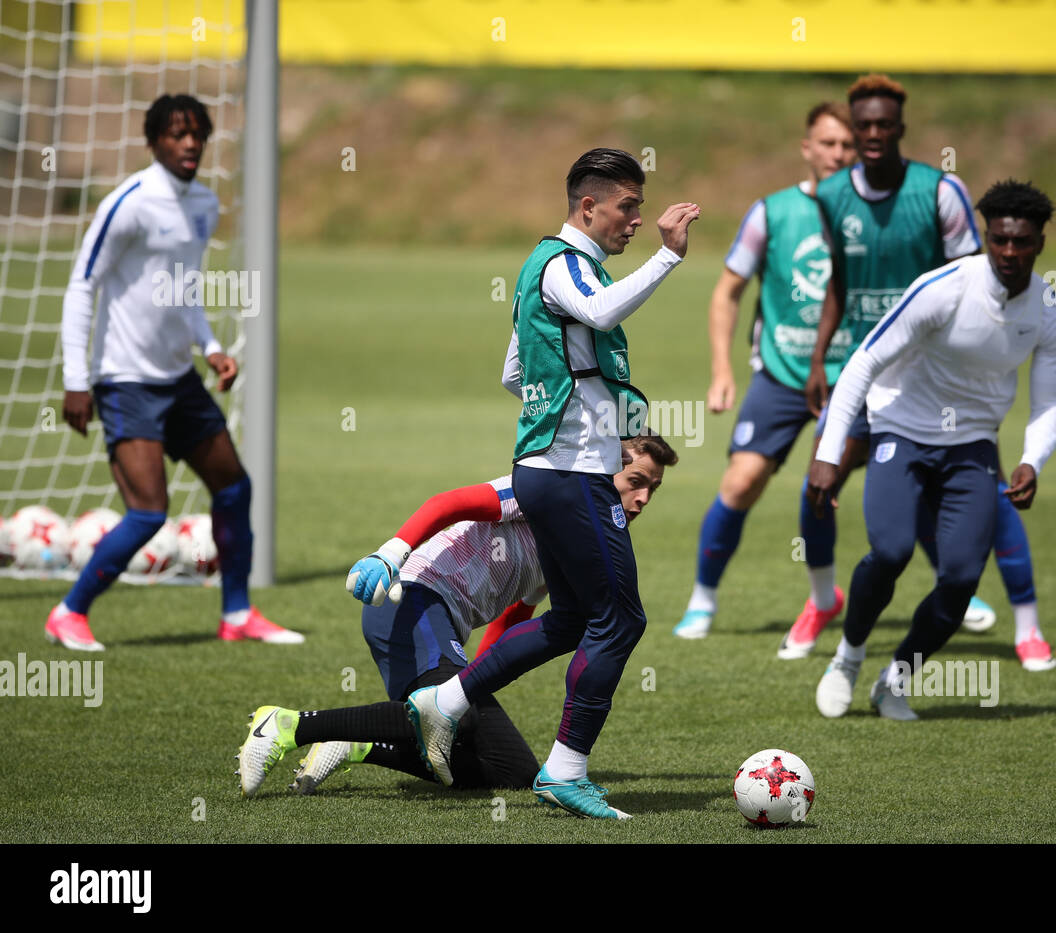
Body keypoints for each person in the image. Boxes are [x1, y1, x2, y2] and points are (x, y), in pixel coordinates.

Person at [406, 148, 699, 820]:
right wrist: (670, 256)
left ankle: (445, 701)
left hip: (548, 467)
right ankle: (565, 769)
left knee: (571, 618)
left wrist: (579, 409)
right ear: (588, 206)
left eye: (642, 207)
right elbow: (599, 315)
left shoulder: (544, 269)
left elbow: (517, 369)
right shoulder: (567, 266)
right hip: (569, 474)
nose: (638, 219)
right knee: (622, 618)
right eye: (628, 206)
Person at [235, 435, 676, 798]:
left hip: (436, 624)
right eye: (635, 480)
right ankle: (288, 725)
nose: (642, 498)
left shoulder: (580, 541)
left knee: (511, 768)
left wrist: (477, 681)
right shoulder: (546, 491)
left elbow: (516, 619)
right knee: (455, 717)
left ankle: (358, 743)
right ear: (600, 467)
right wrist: (392, 553)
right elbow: (448, 503)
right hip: (412, 602)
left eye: (652, 488)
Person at [791, 74, 1055, 668]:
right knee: (817, 487)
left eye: (886, 124)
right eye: (864, 126)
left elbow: (974, 287)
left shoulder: (940, 191)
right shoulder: (832, 195)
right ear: (853, 131)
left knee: (988, 494)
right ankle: (820, 606)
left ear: (901, 128)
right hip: (866, 366)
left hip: (938, 379)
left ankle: (1025, 620)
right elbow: (838, 277)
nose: (875, 134)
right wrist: (818, 355)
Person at [808, 180, 1056, 721]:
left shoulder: (1050, 314)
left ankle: (894, 680)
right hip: (900, 431)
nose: (1009, 252)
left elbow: (1050, 406)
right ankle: (848, 658)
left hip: (972, 445)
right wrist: (830, 452)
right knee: (891, 550)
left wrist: (1031, 461)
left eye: (1022, 242)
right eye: (999, 240)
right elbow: (862, 362)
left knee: (958, 580)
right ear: (985, 236)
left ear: (1040, 243)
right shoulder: (945, 287)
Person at [48, 93, 300, 651]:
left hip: (177, 377)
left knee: (234, 488)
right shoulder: (129, 203)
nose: (189, 144)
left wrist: (209, 346)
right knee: (148, 515)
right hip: (124, 379)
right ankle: (68, 612)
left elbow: (184, 289)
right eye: (176, 134)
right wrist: (75, 379)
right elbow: (82, 284)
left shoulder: (204, 204)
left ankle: (236, 613)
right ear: (155, 140)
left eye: (197, 134)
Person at [673, 102, 855, 643]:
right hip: (779, 374)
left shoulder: (873, 214)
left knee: (845, 485)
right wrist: (722, 370)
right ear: (807, 148)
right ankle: (703, 599)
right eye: (828, 143)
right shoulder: (772, 213)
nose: (838, 154)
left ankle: (949, 589)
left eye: (846, 145)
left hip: (851, 379)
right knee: (742, 480)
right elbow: (728, 291)